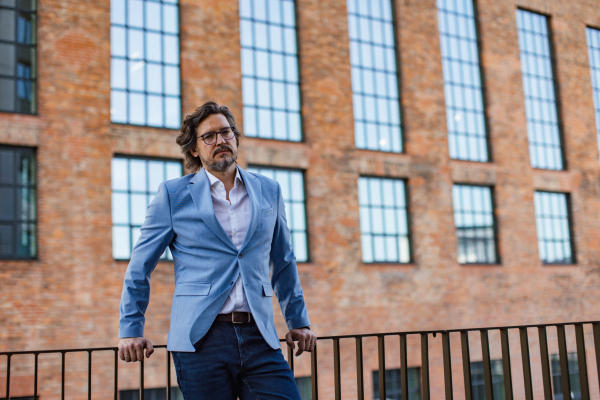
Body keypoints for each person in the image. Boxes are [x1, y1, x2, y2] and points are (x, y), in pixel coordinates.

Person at [117, 101, 317, 400]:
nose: (220, 140)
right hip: (201, 340)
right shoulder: (173, 195)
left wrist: (298, 321)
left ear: (235, 138)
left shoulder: (269, 190)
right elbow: (140, 266)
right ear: (195, 149)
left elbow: (283, 261)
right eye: (209, 136)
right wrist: (130, 328)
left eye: (226, 132)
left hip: (259, 335)